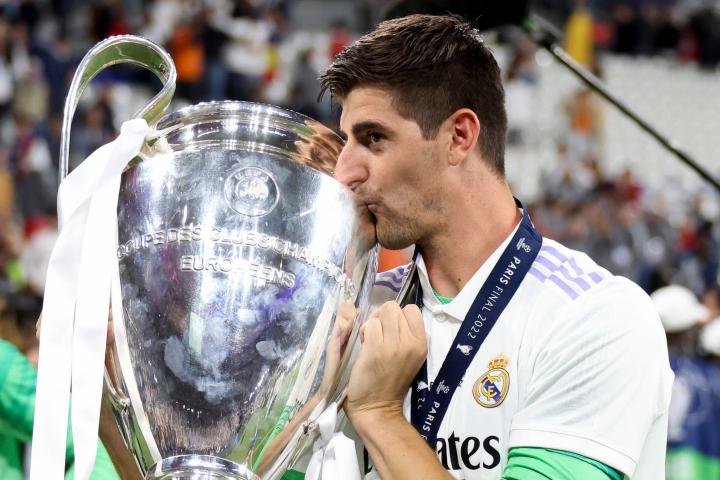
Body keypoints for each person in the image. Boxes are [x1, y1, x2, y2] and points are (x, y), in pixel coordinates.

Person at [318, 14, 673, 480]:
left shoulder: (594, 315)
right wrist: (303, 405)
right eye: (347, 141)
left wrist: (380, 415)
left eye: (374, 138)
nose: (344, 172)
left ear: (459, 137)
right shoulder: (356, 314)